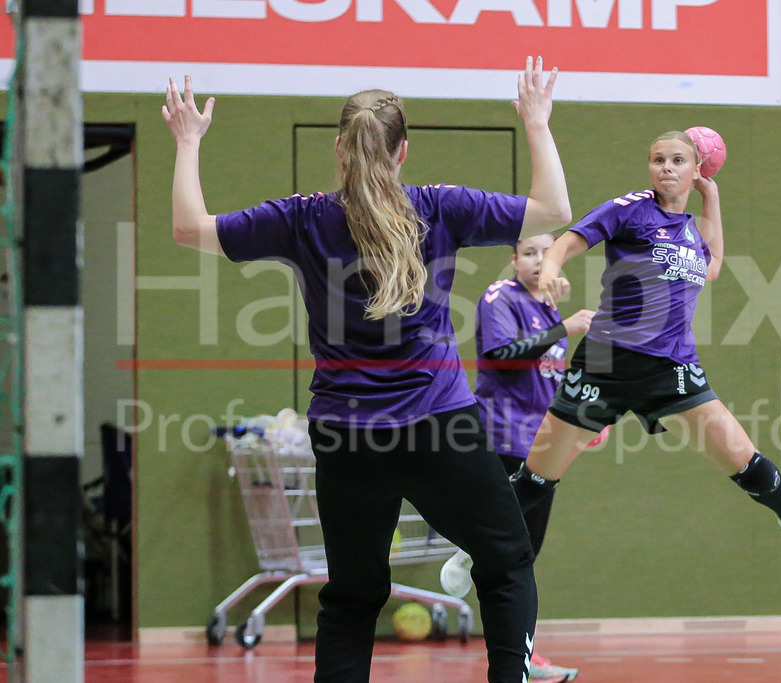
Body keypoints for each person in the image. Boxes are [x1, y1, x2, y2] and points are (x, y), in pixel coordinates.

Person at [162, 56, 572, 683]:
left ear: (339, 149)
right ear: (403, 151)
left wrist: (188, 141)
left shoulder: (301, 217)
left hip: (345, 436)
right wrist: (536, 122)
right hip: (440, 427)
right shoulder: (440, 206)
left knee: (352, 596)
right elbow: (552, 208)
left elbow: (190, 229)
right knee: (507, 560)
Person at [440, 131, 781, 599]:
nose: (666, 168)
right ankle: (472, 549)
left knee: (742, 459)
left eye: (678, 160)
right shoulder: (632, 208)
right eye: (658, 159)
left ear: (695, 170)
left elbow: (713, 264)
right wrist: (550, 268)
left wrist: (711, 196)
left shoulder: (691, 231)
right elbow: (570, 239)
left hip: (671, 368)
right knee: (537, 478)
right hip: (604, 362)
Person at [442, 234, 595, 682]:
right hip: (505, 436)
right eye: (529, 253)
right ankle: (515, 657)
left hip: (545, 442)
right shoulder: (500, 298)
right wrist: (565, 328)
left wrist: (583, 419)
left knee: (526, 554)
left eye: (547, 253)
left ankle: (521, 654)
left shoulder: (546, 306)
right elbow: (503, 356)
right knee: (511, 556)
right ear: (514, 260)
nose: (538, 261)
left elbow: (550, 374)